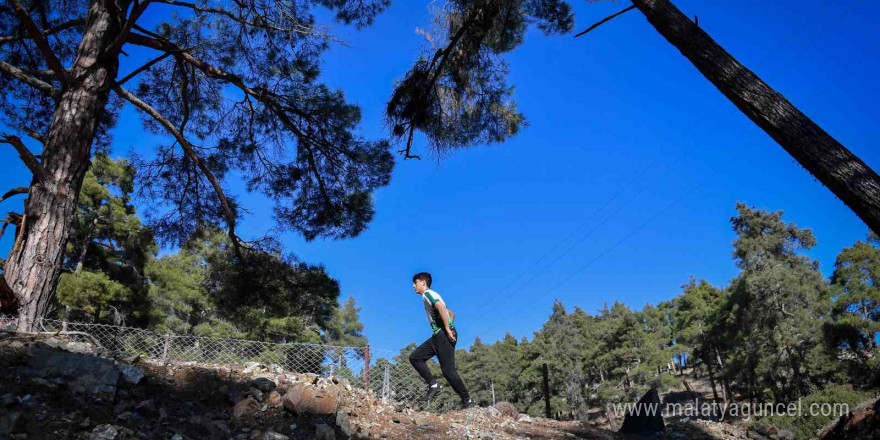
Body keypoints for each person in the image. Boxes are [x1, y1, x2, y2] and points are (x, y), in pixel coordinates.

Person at [408, 272, 477, 409]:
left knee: (448, 371)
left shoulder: (428, 294)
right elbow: (451, 313)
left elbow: (440, 307)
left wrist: (447, 328)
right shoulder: (428, 296)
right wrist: (448, 326)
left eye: (415, 282)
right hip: (438, 336)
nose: (413, 286)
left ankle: (467, 401)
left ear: (423, 282)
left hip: (443, 334)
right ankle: (433, 385)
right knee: (415, 357)